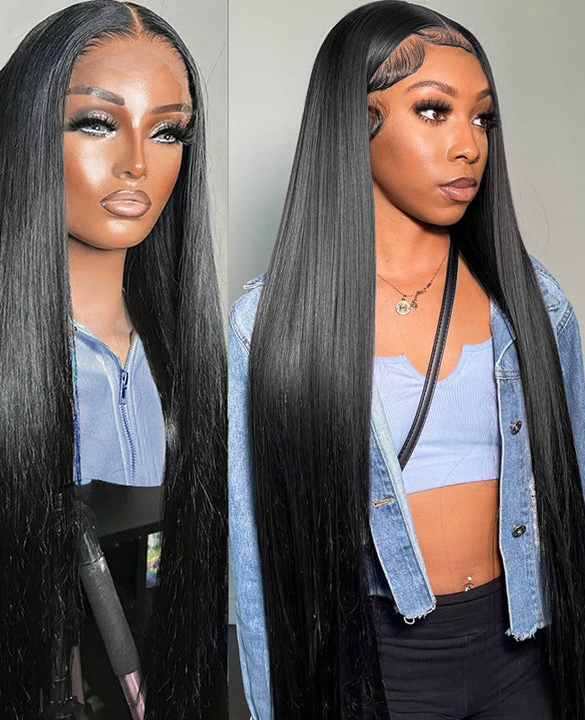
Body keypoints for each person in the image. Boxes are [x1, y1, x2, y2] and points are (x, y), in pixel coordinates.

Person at [0, 2, 226, 719]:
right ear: (29, 131)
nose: (136, 162)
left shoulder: (199, 360)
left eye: (167, 130)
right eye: (97, 122)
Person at [229, 2, 585, 719]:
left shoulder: (532, 304)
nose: (469, 145)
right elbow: (254, 562)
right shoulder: (269, 326)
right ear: (353, 123)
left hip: (526, 651)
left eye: (482, 117)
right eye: (433, 111)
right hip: (375, 668)